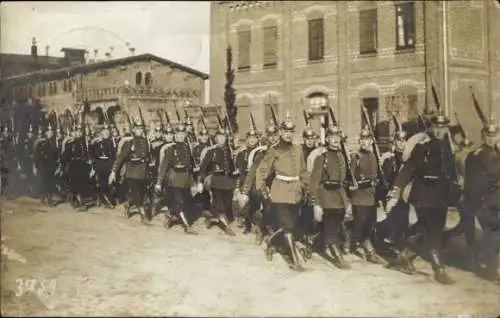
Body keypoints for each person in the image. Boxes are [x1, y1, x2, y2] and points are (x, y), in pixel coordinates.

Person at [386, 113, 457, 285]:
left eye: (443, 127)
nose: (440, 130)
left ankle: (404, 256)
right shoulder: (422, 146)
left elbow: (450, 172)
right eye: (437, 127)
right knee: (432, 230)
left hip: (440, 195)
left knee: (433, 229)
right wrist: (395, 191)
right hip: (423, 194)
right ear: (430, 128)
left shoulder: (447, 147)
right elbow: (408, 169)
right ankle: (438, 269)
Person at [254, 113, 308, 271]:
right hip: (280, 191)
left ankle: (272, 244)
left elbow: (304, 171)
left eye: (291, 132)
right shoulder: (274, 151)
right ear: (280, 132)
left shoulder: (298, 150)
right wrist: (263, 189)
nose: (288, 134)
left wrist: (306, 188)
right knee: (288, 225)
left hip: (296, 192)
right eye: (285, 131)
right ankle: (295, 261)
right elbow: (262, 171)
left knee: (291, 225)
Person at [460, 121, 500, 283]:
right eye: (488, 135)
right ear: (483, 135)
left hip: (487, 199)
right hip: (485, 200)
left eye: (494, 135)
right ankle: (490, 269)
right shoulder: (487, 154)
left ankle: (479, 257)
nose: (491, 138)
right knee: (494, 232)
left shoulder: (476, 153)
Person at [308, 126, 351, 269]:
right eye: (331, 137)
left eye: (337, 137)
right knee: (331, 227)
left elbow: (342, 181)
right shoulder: (321, 157)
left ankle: (312, 243)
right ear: (326, 139)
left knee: (335, 226)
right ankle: (337, 257)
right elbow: (314, 182)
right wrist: (316, 203)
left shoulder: (341, 156)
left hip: (338, 197)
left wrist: (346, 201)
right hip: (325, 196)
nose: (334, 140)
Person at [348, 127, 386, 264]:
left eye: (367, 139)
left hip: (371, 196)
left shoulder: (373, 156)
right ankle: (353, 245)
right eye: (362, 140)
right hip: (359, 196)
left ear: (371, 141)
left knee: (369, 224)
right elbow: (350, 176)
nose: (365, 142)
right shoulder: (355, 156)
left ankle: (365, 247)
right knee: (360, 223)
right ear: (359, 141)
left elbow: (376, 176)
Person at [155, 123, 198, 234]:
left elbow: (190, 168)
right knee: (179, 202)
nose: (180, 136)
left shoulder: (188, 149)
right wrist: (159, 182)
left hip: (185, 180)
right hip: (173, 179)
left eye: (182, 134)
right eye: (178, 134)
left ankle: (170, 215)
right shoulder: (170, 149)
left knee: (184, 203)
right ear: (175, 135)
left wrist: (193, 183)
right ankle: (187, 226)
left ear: (185, 135)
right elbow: (163, 166)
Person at [198, 127, 237, 236]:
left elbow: (232, 166)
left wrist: (235, 180)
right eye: (219, 137)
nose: (221, 139)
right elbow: (203, 168)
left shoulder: (229, 150)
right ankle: (225, 226)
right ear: (215, 139)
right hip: (216, 180)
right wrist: (200, 181)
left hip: (228, 181)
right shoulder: (211, 151)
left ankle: (211, 216)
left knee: (227, 203)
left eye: (223, 137)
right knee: (219, 203)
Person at [109, 119, 150, 222]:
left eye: (141, 128)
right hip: (132, 173)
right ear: (134, 130)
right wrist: (114, 172)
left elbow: (147, 157)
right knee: (137, 194)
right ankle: (143, 214)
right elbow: (121, 158)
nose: (139, 131)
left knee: (140, 193)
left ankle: (128, 204)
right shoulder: (129, 142)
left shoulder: (146, 142)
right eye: (137, 129)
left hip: (143, 173)